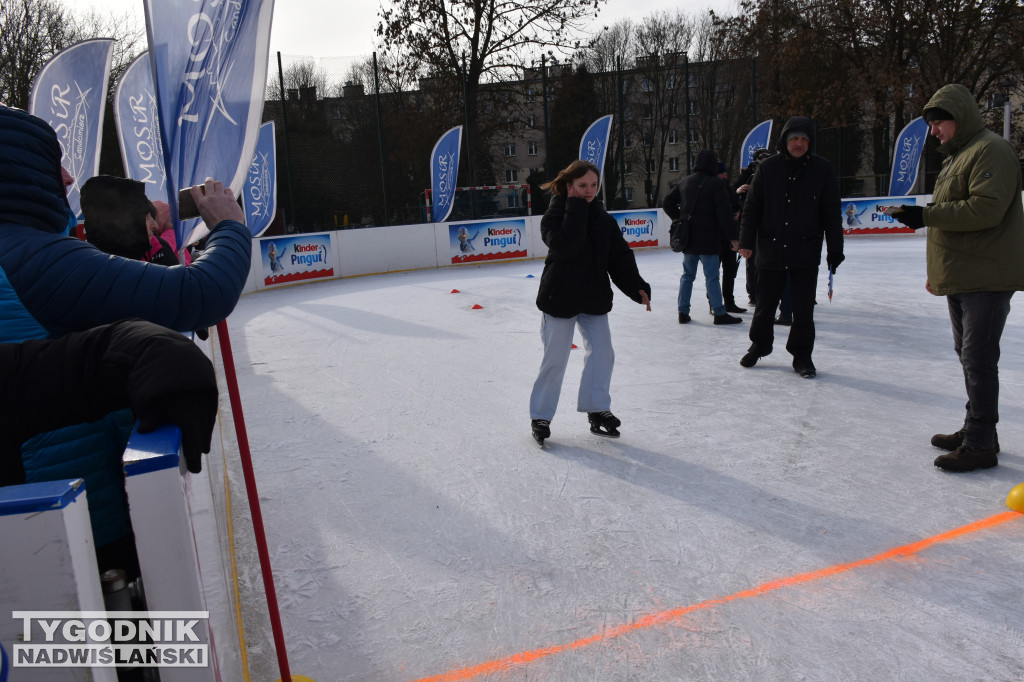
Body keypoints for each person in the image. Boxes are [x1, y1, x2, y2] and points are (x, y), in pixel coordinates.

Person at [0, 104, 251, 569]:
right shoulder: (35, 258)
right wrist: (230, 227)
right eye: (53, 162)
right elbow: (201, 293)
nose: (69, 178)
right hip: (76, 533)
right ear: (20, 170)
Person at [889, 83, 1024, 472]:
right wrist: (938, 273)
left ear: (959, 117)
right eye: (930, 125)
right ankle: (977, 427)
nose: (934, 131)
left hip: (987, 274)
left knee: (978, 359)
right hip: (964, 273)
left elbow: (986, 210)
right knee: (969, 358)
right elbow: (954, 212)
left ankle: (981, 442)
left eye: (939, 122)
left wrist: (925, 215)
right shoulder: (957, 157)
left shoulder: (990, 150)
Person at [530, 160, 651, 445]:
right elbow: (566, 246)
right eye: (582, 185)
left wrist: (637, 287)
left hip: (593, 296)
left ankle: (597, 410)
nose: (589, 191)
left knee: (602, 353)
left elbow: (619, 258)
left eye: (593, 185)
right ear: (569, 186)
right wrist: (575, 208)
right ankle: (540, 415)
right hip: (559, 297)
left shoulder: (602, 219)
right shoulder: (554, 216)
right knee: (556, 357)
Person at [738, 117, 844, 378]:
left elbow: (831, 213)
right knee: (764, 306)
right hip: (770, 248)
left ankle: (802, 356)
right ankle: (759, 345)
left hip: (805, 251)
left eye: (804, 139)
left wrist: (835, 249)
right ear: (784, 141)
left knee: (803, 309)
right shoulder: (768, 168)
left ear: (810, 142)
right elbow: (752, 208)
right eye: (793, 138)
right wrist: (746, 242)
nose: (798, 143)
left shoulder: (823, 170)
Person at [662, 149, 742, 325]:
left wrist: (680, 219)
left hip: (688, 237)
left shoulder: (685, 181)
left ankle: (683, 312)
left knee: (687, 276)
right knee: (711, 277)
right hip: (709, 238)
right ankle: (719, 313)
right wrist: (733, 238)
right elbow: (724, 213)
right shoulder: (716, 183)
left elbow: (667, 202)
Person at [735, 147, 772, 306]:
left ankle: (772, 292)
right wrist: (738, 192)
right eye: (760, 158)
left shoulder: (773, 173)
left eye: (766, 158)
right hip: (752, 224)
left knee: (772, 260)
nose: (763, 161)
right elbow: (732, 195)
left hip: (770, 222)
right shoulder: (747, 175)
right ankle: (753, 294)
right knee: (752, 260)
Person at [716, 161, 746, 314]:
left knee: (729, 271)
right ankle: (714, 302)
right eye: (722, 172)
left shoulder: (726, 187)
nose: (725, 175)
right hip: (716, 237)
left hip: (730, 236)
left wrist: (739, 211)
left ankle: (729, 302)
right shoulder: (711, 187)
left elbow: (738, 202)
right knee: (714, 273)